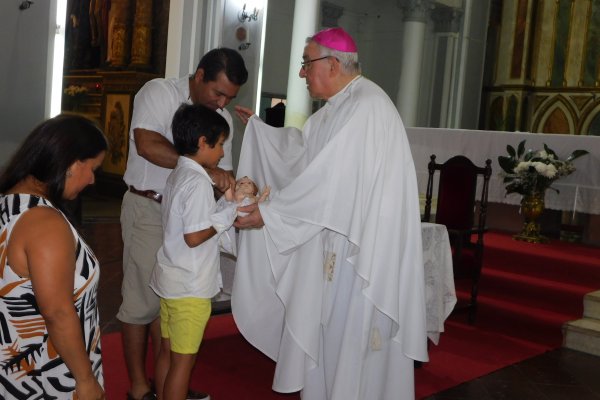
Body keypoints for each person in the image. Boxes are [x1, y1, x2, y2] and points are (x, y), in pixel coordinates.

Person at [232, 27, 428, 399]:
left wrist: (270, 216)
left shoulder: (367, 106)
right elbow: (301, 158)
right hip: (330, 244)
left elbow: (329, 180)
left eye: (306, 63)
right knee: (328, 338)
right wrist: (262, 132)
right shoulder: (332, 113)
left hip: (358, 253)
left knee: (349, 339)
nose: (302, 73)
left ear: (333, 64)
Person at [118, 47, 249, 400]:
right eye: (218, 92)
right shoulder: (160, 92)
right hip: (149, 206)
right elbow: (147, 145)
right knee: (142, 302)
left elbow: (226, 173)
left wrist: (240, 195)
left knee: (169, 305)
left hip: (189, 213)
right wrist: (202, 168)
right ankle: (138, 386)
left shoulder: (217, 122)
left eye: (229, 97)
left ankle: (168, 383)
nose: (221, 103)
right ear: (200, 74)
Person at [0, 115, 107, 399]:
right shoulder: (44, 222)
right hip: (47, 374)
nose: (93, 179)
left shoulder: (7, 203)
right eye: (93, 168)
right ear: (72, 163)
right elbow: (57, 312)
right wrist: (85, 379)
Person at [149, 104, 234, 400]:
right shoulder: (198, 181)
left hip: (171, 279)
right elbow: (195, 236)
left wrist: (223, 206)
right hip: (190, 286)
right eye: (220, 144)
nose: (222, 153)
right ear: (202, 142)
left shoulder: (179, 172)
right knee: (183, 363)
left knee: (166, 354)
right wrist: (229, 214)